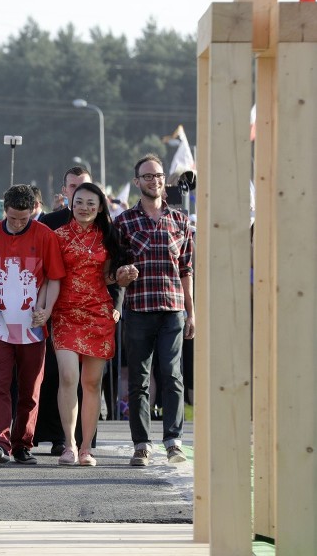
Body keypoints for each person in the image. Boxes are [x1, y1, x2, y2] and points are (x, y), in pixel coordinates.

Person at [115, 153, 195, 466]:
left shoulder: (180, 221)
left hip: (173, 308)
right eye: (148, 176)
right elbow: (115, 271)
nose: (155, 180)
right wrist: (124, 275)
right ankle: (141, 443)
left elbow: (186, 269)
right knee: (139, 379)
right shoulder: (123, 222)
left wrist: (192, 311)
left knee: (173, 376)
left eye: (159, 175)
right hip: (138, 308)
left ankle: (174, 441)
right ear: (137, 182)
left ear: (165, 180)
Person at [0, 184, 65, 464]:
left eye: (24, 219)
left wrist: (46, 309)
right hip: (0, 323)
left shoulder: (45, 235)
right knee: (0, 383)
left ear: (33, 212)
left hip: (32, 325)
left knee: (30, 388)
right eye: (13, 218)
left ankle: (22, 444)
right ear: (4, 211)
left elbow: (54, 277)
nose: (17, 224)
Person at [51, 183, 125, 467]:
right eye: (79, 202)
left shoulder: (108, 237)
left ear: (100, 206)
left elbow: (108, 277)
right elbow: (50, 277)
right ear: (71, 203)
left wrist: (122, 276)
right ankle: (68, 445)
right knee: (68, 376)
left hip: (98, 312)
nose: (84, 208)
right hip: (65, 312)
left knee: (91, 382)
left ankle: (86, 448)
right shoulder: (57, 236)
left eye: (90, 203)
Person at [36, 166, 93, 455]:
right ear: (65, 190)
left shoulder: (104, 223)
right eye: (72, 187)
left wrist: (117, 307)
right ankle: (60, 437)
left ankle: (84, 441)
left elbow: (113, 268)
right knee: (60, 375)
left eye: (83, 187)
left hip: (94, 310)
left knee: (88, 379)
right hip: (58, 310)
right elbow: (41, 269)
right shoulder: (49, 222)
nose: (78, 193)